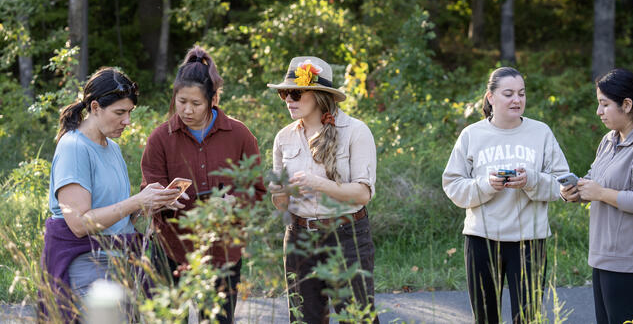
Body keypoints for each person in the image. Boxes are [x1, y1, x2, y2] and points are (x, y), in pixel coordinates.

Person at [40, 67, 179, 321]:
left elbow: (116, 214)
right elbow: (80, 224)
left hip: (120, 262)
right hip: (87, 265)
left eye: (129, 113)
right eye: (120, 113)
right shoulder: (74, 147)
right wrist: (136, 200)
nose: (127, 121)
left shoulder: (112, 148)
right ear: (95, 108)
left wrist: (149, 205)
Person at [141, 45, 266, 323]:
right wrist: (163, 198)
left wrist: (235, 202)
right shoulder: (161, 138)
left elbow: (256, 189)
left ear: (212, 99)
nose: (187, 110)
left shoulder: (240, 135)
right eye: (181, 101)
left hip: (222, 251)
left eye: (195, 104)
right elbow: (148, 188)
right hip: (171, 248)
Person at [442, 66, 569, 324]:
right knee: (485, 318)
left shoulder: (541, 132)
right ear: (491, 97)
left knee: (528, 318)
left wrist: (531, 180)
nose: (517, 100)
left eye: (521, 94)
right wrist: (486, 185)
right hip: (481, 240)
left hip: (529, 241)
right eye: (509, 93)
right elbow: (453, 185)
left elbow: (562, 184)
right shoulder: (472, 134)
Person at [267, 56, 379, 324]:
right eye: (284, 93)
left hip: (346, 237)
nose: (288, 100)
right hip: (298, 237)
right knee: (304, 319)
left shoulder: (356, 131)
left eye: (295, 93)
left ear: (318, 95)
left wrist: (320, 185)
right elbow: (281, 204)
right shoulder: (284, 137)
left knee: (357, 319)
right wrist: (279, 193)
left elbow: (363, 194)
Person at [560, 68, 633, 324]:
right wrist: (576, 192)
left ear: (627, 104)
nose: (599, 112)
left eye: (605, 105)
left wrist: (601, 193)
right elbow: (595, 181)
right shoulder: (608, 140)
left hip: (630, 263)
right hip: (602, 256)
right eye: (598, 104)